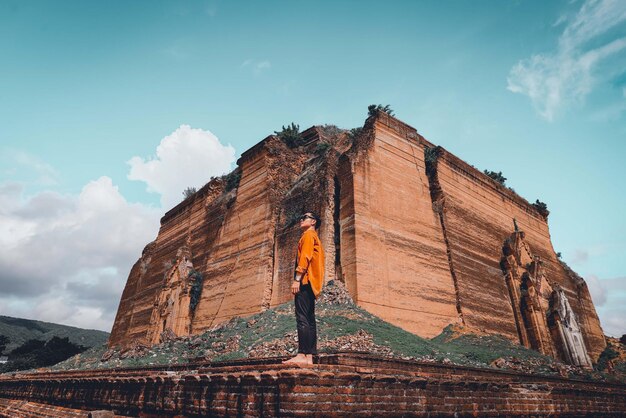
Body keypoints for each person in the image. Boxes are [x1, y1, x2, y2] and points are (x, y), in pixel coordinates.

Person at [282, 211, 325, 365]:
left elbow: (305, 258)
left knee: (302, 318)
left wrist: (297, 279)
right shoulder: (315, 238)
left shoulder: (307, 235)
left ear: (313, 221)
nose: (301, 220)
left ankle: (302, 354)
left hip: (305, 281)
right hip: (312, 284)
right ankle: (310, 357)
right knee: (310, 319)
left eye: (304, 217)